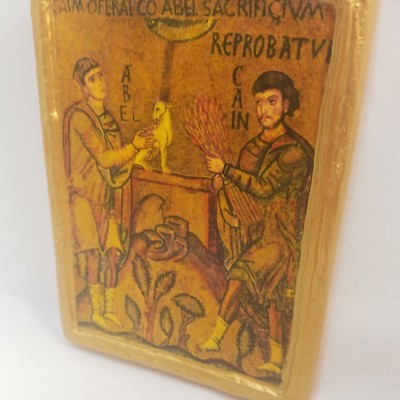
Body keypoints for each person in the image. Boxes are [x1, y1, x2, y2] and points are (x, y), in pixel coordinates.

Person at [201, 71, 314, 376]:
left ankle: (215, 339)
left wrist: (226, 170)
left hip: (283, 237)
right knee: (272, 298)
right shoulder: (251, 148)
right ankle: (276, 359)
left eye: (272, 102)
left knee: (242, 277)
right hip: (256, 233)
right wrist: (222, 183)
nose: (264, 109)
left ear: (286, 105)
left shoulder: (294, 152)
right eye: (259, 102)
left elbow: (263, 187)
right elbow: (244, 193)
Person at [63, 58, 155, 329]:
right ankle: (95, 313)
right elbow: (104, 158)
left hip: (105, 200)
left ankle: (109, 311)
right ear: (83, 88)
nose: (100, 82)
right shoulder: (79, 117)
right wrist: (134, 147)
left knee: (113, 255)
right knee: (92, 255)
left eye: (101, 75)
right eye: (92, 79)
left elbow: (117, 167)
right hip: (84, 197)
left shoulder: (110, 123)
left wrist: (138, 153)